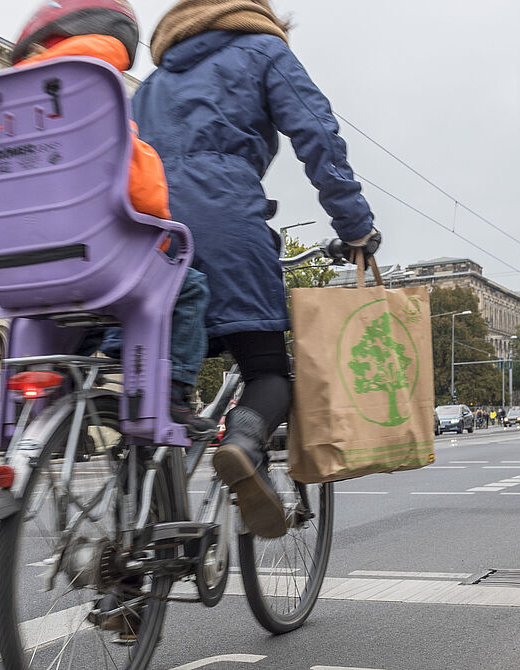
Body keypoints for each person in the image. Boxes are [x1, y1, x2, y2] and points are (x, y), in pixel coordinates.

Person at [134, 0, 379, 539]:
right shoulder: (264, 51)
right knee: (268, 369)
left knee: (154, 390)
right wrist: (355, 226)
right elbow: (318, 136)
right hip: (222, 223)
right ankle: (243, 445)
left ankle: (137, 561)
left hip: (144, 236)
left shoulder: (151, 84)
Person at [11, 0, 214, 436]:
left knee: (63, 312)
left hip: (21, 270)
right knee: (188, 287)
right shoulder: (96, 85)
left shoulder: (10, 101)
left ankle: (58, 392)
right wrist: (159, 231)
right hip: (96, 262)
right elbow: (142, 189)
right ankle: (174, 394)